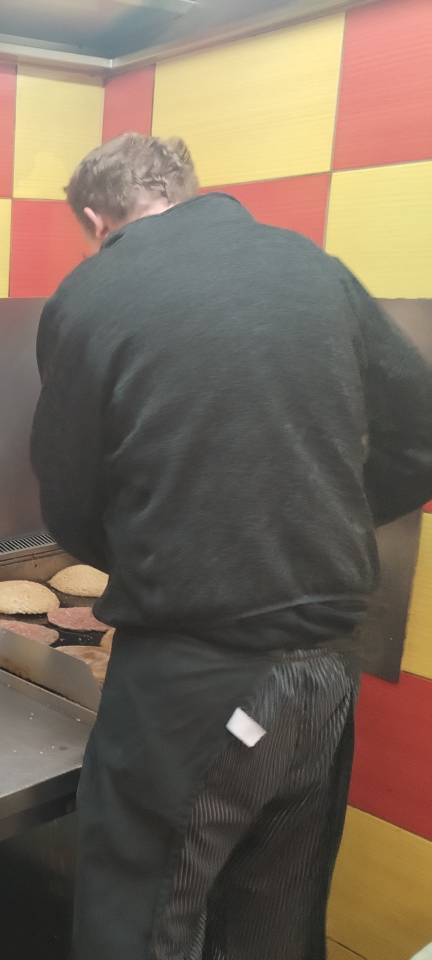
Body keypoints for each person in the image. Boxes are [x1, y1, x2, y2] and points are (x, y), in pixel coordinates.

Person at [30, 132, 432, 959]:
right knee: (274, 926)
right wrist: (322, 515)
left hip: (194, 680)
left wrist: (165, 545)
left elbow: (68, 499)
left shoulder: (93, 290)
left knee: (140, 927)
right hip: (327, 673)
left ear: (98, 220)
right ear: (184, 189)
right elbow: (422, 434)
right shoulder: (313, 267)